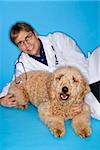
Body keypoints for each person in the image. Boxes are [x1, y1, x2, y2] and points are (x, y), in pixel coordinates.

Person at [0, 22, 100, 119]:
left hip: (93, 70)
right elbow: (16, 81)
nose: (27, 44)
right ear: (18, 47)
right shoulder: (22, 64)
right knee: (97, 111)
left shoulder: (58, 39)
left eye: (28, 37)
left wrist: (80, 96)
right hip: (71, 91)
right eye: (20, 43)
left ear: (35, 33)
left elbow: (79, 63)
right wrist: (2, 99)